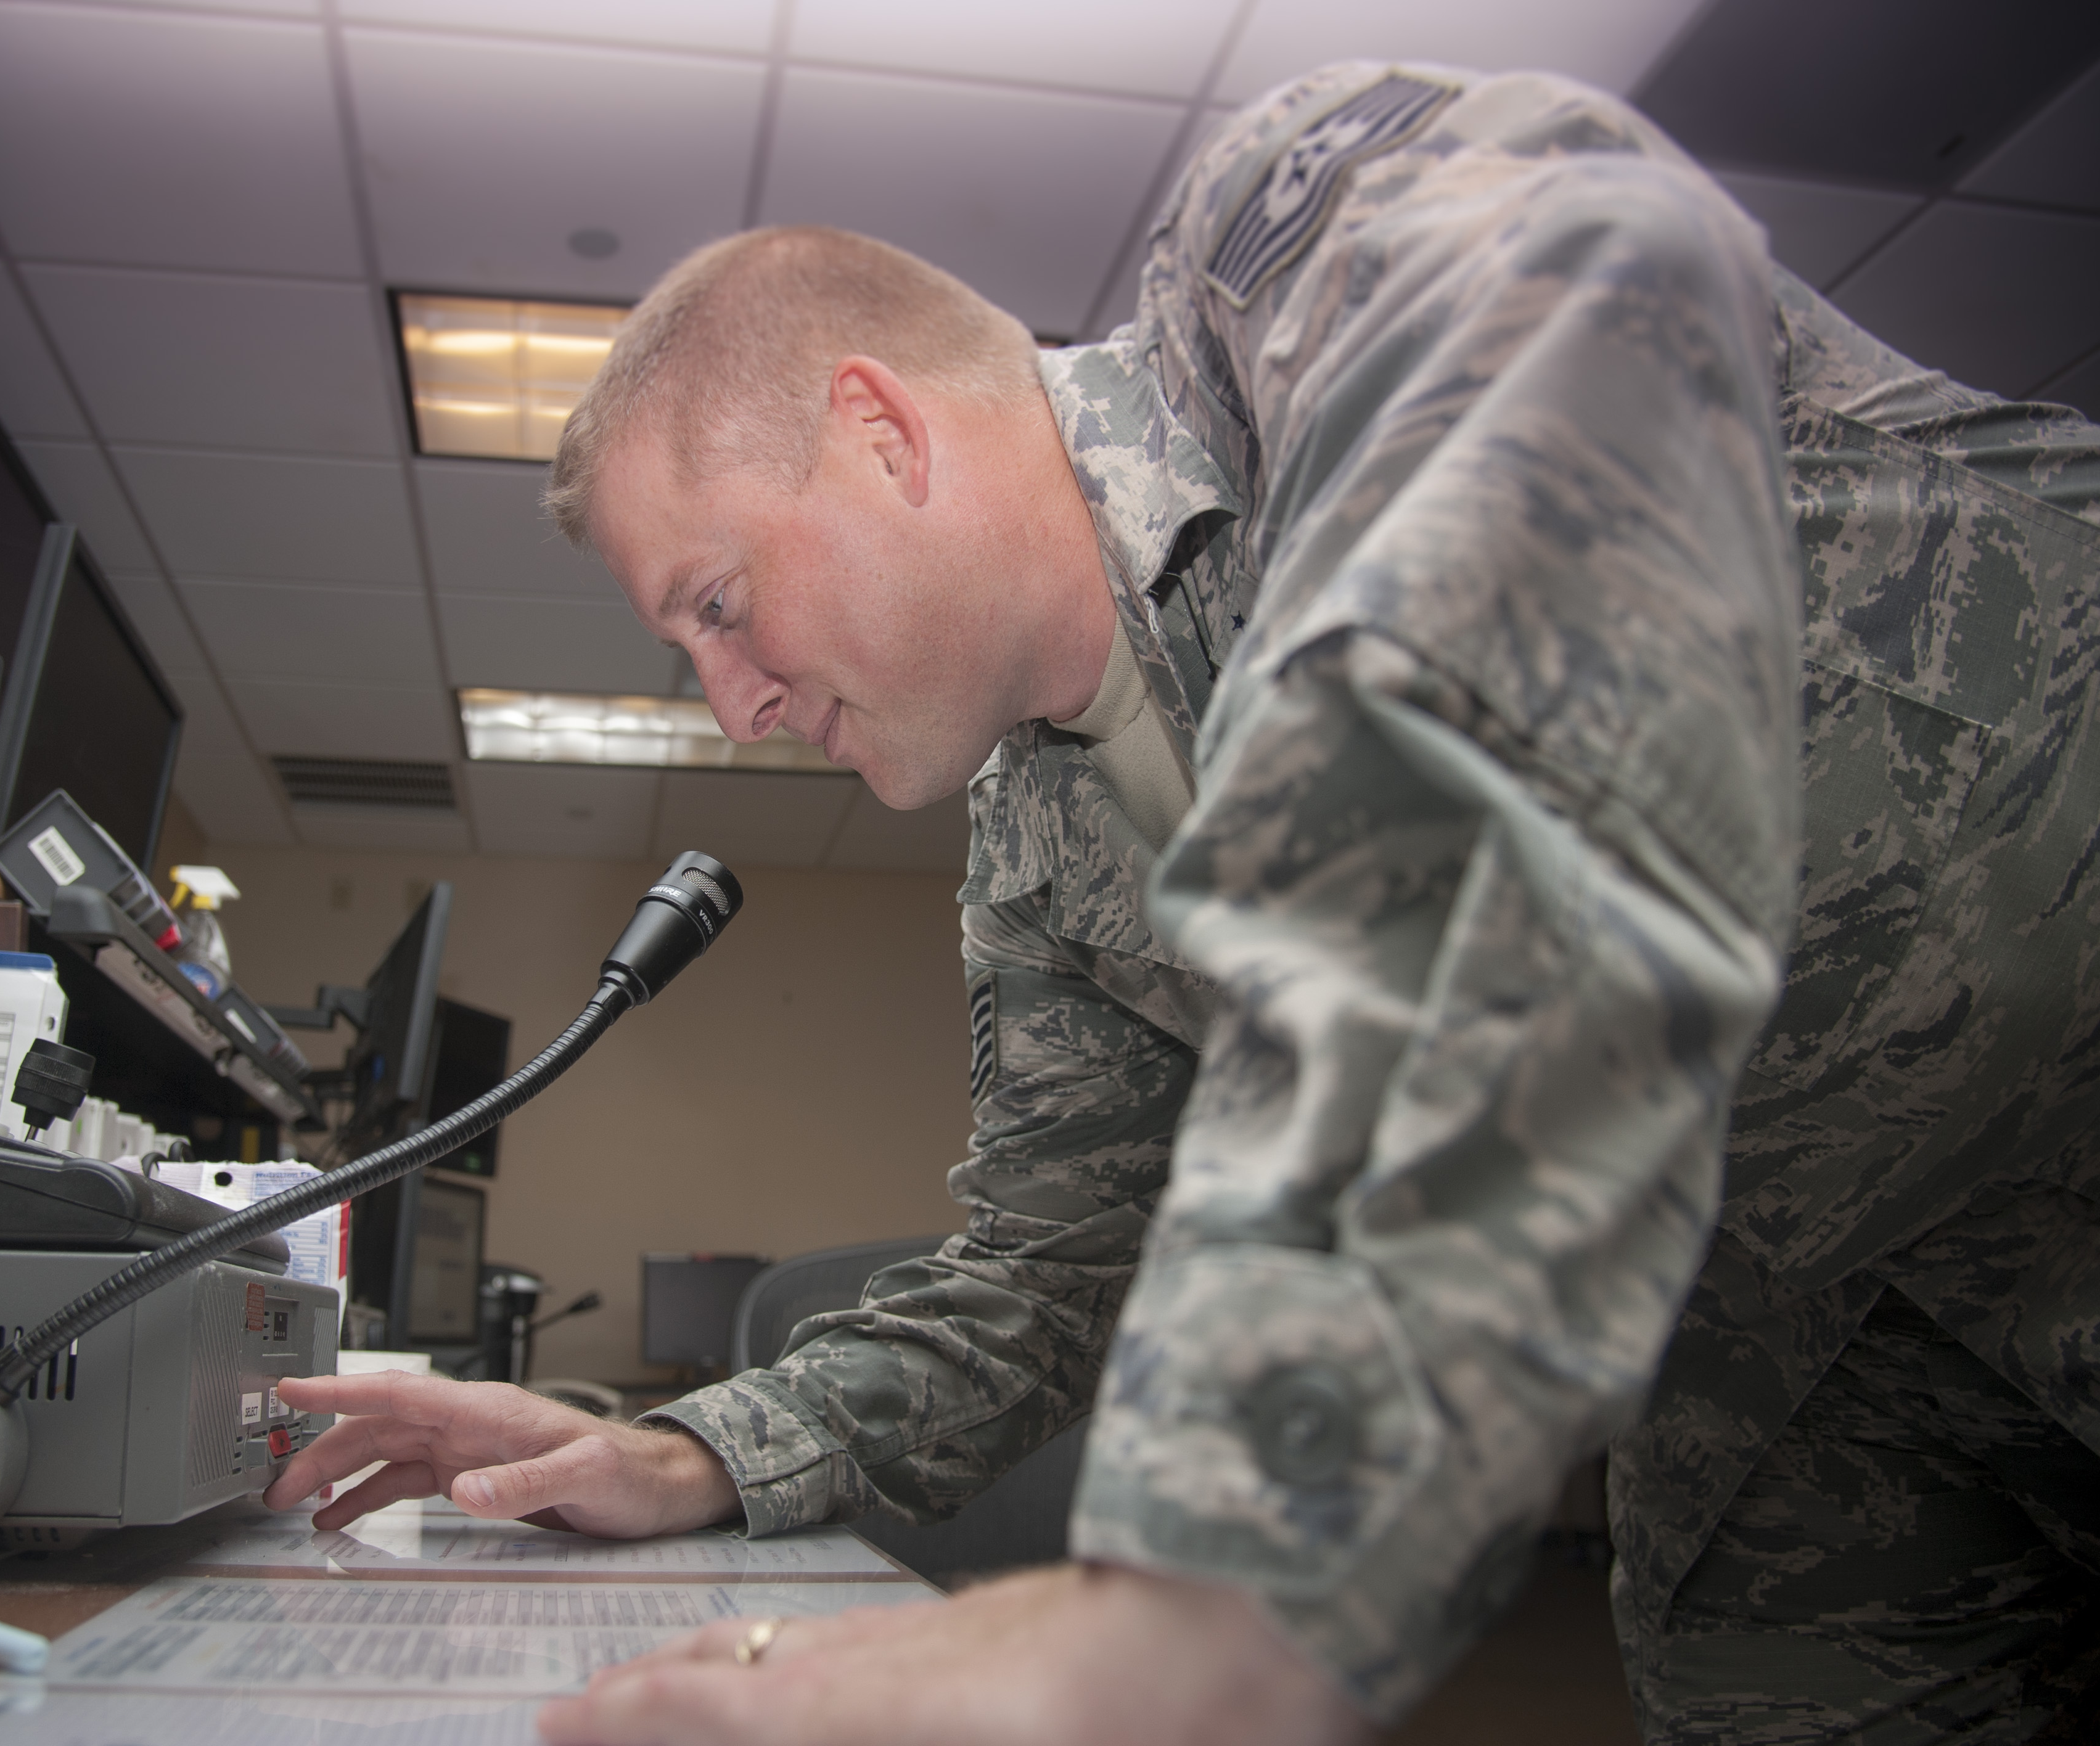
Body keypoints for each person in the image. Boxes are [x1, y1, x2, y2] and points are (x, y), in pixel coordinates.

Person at [270, 60, 2100, 1745]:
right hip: (1810, 1311)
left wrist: (1193, 1591)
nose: (733, 703)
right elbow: (1043, 1281)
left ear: (883, 433)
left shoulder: (1294, 252)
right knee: (1761, 1668)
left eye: (720, 604)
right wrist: (688, 1450)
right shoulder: (1039, 849)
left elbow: (1500, 666)